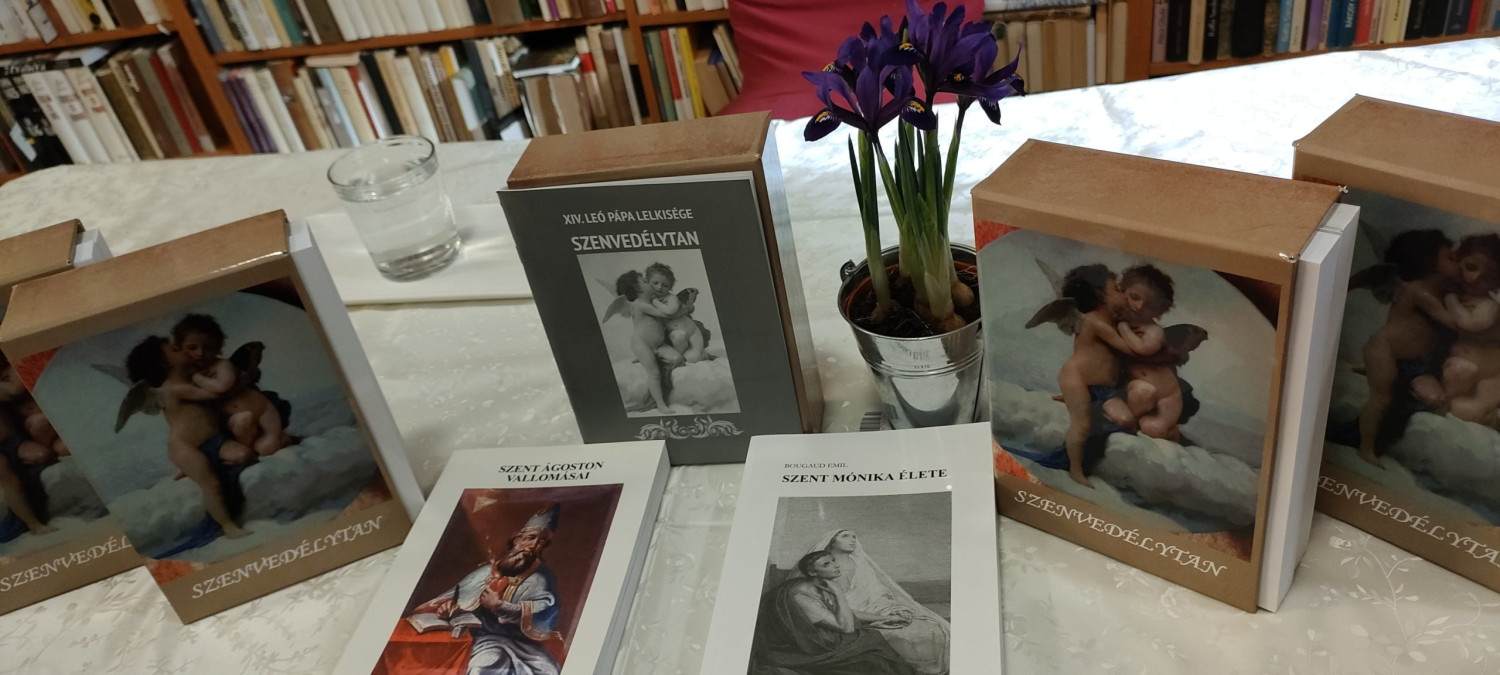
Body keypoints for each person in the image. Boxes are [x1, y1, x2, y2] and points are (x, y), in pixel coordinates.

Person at [410, 504, 566, 675]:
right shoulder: (484, 572)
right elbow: (453, 597)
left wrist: (499, 606)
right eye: (530, 538)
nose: (533, 545)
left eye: (541, 541)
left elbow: (545, 610)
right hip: (471, 636)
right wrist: (447, 607)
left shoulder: (540, 578)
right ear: (517, 541)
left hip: (516, 644)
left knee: (486, 667)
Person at [125, 336, 252, 539]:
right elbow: (218, 394)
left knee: (244, 455)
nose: (183, 350)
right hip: (185, 447)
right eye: (175, 350)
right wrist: (242, 380)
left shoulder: (189, 380)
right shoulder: (172, 388)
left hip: (212, 441)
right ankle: (228, 526)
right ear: (165, 363)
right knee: (211, 485)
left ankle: (206, 467)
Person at [1352, 229, 1461, 465]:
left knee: (1435, 399)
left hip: (1414, 365)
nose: (1459, 263)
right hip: (1385, 350)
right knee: (1381, 399)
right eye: (1451, 258)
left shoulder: (1441, 294)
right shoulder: (1418, 290)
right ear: (1430, 264)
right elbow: (1454, 324)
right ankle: (1366, 449)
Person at [749, 550, 916, 675]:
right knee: (871, 649)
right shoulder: (802, 597)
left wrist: (883, 618)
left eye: (833, 561)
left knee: (873, 640)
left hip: (817, 637)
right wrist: (839, 594)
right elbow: (847, 628)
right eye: (826, 564)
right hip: (801, 649)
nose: (836, 565)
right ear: (812, 572)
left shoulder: (822, 584)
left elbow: (843, 612)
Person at [807, 530, 949, 675]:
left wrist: (892, 609)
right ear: (831, 541)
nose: (852, 539)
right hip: (848, 617)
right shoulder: (821, 570)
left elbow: (877, 593)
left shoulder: (861, 565)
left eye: (854, 536)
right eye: (845, 536)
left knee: (929, 628)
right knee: (904, 636)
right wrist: (882, 618)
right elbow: (836, 609)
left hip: (874, 609)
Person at [1054, 264, 1134, 487]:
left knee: (1127, 419)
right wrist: (1130, 330)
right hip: (1076, 379)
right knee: (1082, 426)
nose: (1123, 295)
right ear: (1100, 295)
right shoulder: (1094, 321)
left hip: (1103, 388)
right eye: (1117, 289)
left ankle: (1079, 401)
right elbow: (1129, 348)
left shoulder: (1110, 321)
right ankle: (1075, 470)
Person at [173, 315, 291, 459]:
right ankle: (252, 448)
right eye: (192, 348)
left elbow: (223, 386)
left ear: (218, 348)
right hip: (236, 423)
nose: (200, 353)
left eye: (208, 347)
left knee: (267, 447)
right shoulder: (185, 375)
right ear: (179, 349)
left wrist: (198, 378)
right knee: (247, 432)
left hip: (262, 412)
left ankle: (282, 438)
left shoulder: (221, 365)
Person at [1102, 265, 1186, 441]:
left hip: (1165, 400)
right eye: (1134, 297)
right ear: (1122, 291)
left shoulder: (1154, 330)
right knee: (1141, 391)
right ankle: (1127, 421)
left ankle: (1171, 431)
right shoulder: (1113, 321)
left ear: (1160, 311)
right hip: (1138, 392)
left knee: (1152, 428)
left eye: (1150, 306)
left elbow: (1143, 349)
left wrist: (1123, 329)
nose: (1139, 306)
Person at [1428, 234, 1500, 427]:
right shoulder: (1450, 295)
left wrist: (1451, 298)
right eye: (1471, 267)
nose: (1474, 278)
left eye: (1488, 277)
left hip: (1490, 380)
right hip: (1459, 376)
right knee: (1460, 382)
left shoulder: (1488, 305)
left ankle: (1493, 418)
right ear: (1459, 260)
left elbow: (1468, 323)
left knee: (1465, 409)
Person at [614, 268, 696, 415]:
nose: (650, 284)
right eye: (645, 282)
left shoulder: (651, 302)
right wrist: (686, 309)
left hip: (659, 345)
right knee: (654, 373)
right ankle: (660, 404)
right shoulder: (640, 304)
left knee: (678, 359)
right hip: (643, 345)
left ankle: (655, 361)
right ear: (637, 289)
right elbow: (669, 314)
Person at [645, 263, 708, 364]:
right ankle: (680, 356)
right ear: (647, 282)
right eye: (655, 283)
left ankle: (703, 354)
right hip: (676, 335)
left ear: (670, 287)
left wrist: (655, 301)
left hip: (692, 333)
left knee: (693, 359)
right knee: (679, 336)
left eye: (665, 285)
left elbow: (670, 311)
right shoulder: (648, 301)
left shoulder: (671, 298)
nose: (659, 287)